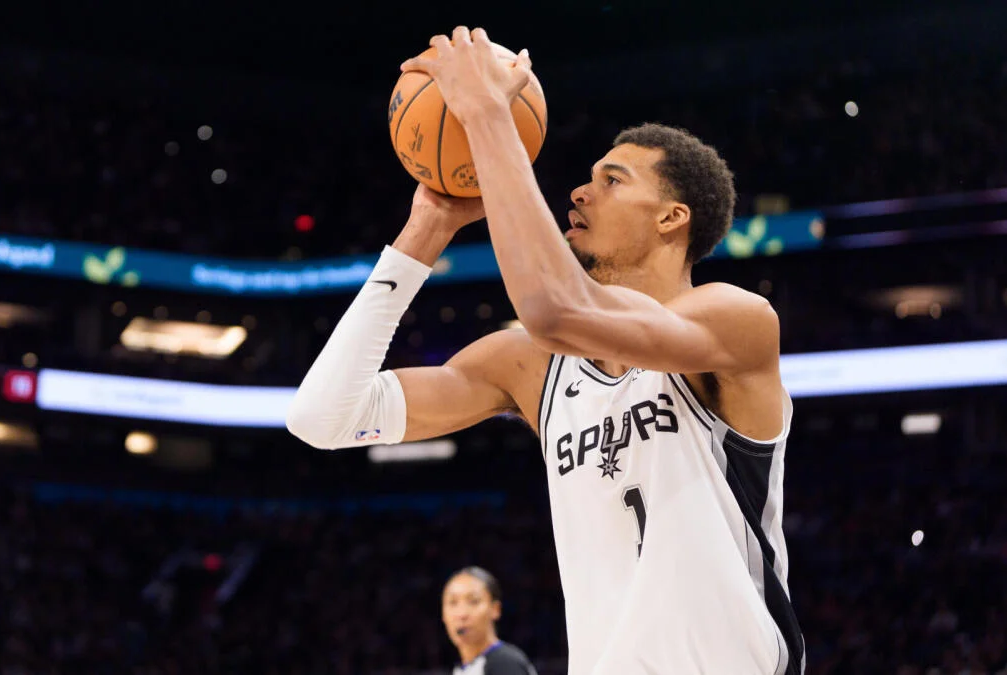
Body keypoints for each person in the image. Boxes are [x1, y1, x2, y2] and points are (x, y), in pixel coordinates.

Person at [287, 26, 805, 674]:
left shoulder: (736, 323)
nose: (580, 193)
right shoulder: (531, 364)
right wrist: (426, 228)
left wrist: (486, 116)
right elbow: (321, 417)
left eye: (612, 181)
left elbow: (556, 307)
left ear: (673, 216)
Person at [442, 567, 538, 675]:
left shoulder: (505, 663)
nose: (462, 614)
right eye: (453, 602)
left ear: (495, 609)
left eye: (474, 601)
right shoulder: (464, 669)